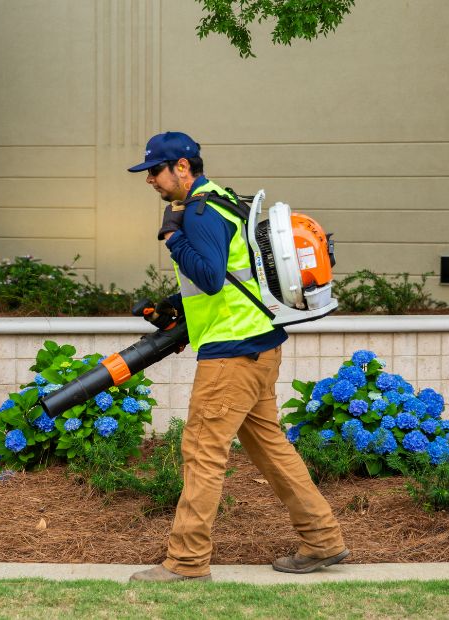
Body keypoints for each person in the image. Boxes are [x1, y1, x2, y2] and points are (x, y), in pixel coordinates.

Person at [127, 131, 347, 582]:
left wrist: (171, 235)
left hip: (231, 355)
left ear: (182, 169)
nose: (149, 180)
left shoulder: (200, 213)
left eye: (155, 171)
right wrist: (173, 303)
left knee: (202, 452)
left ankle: (186, 563)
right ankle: (323, 540)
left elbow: (209, 276)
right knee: (271, 449)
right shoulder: (224, 201)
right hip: (257, 345)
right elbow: (225, 277)